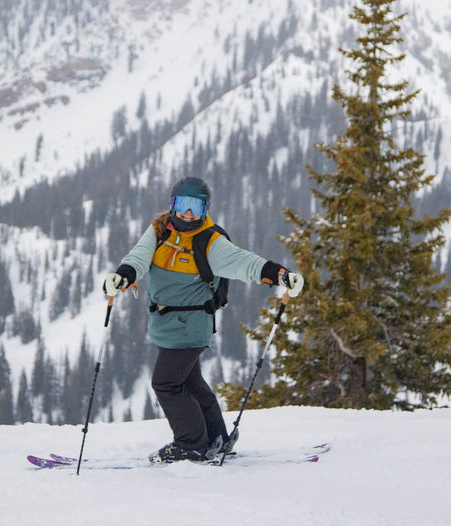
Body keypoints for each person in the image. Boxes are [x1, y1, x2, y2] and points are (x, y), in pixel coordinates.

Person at [103, 175, 304, 463]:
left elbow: (244, 262)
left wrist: (280, 274)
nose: (188, 213)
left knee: (166, 384)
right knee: (191, 382)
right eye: (183, 205)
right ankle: (215, 438)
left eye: (196, 208)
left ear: (205, 210)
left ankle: (190, 444)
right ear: (172, 205)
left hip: (191, 325)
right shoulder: (159, 232)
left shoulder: (209, 241)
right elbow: (139, 257)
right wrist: (123, 275)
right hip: (167, 324)